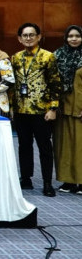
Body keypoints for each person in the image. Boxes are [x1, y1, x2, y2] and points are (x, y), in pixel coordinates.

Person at [11, 22, 62, 197]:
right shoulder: (16, 58)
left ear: (39, 37)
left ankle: (47, 182)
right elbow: (13, 85)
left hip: (42, 110)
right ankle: (26, 178)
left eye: (31, 35)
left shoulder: (48, 57)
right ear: (19, 38)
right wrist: (12, 107)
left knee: (44, 147)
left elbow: (55, 84)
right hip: (21, 110)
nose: (28, 38)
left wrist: (53, 108)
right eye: (25, 35)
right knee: (24, 146)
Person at [53, 25, 82, 193]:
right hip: (63, 106)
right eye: (70, 36)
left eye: (77, 36)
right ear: (66, 38)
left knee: (80, 145)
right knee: (64, 144)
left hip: (79, 107)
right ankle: (68, 181)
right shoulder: (58, 55)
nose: (74, 39)